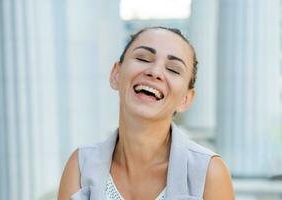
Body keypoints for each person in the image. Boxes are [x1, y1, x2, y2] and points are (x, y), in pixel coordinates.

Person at [58, 26, 235, 200]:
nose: (155, 72)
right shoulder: (80, 165)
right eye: (143, 58)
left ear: (186, 99)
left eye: (173, 69)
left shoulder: (209, 173)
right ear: (116, 74)